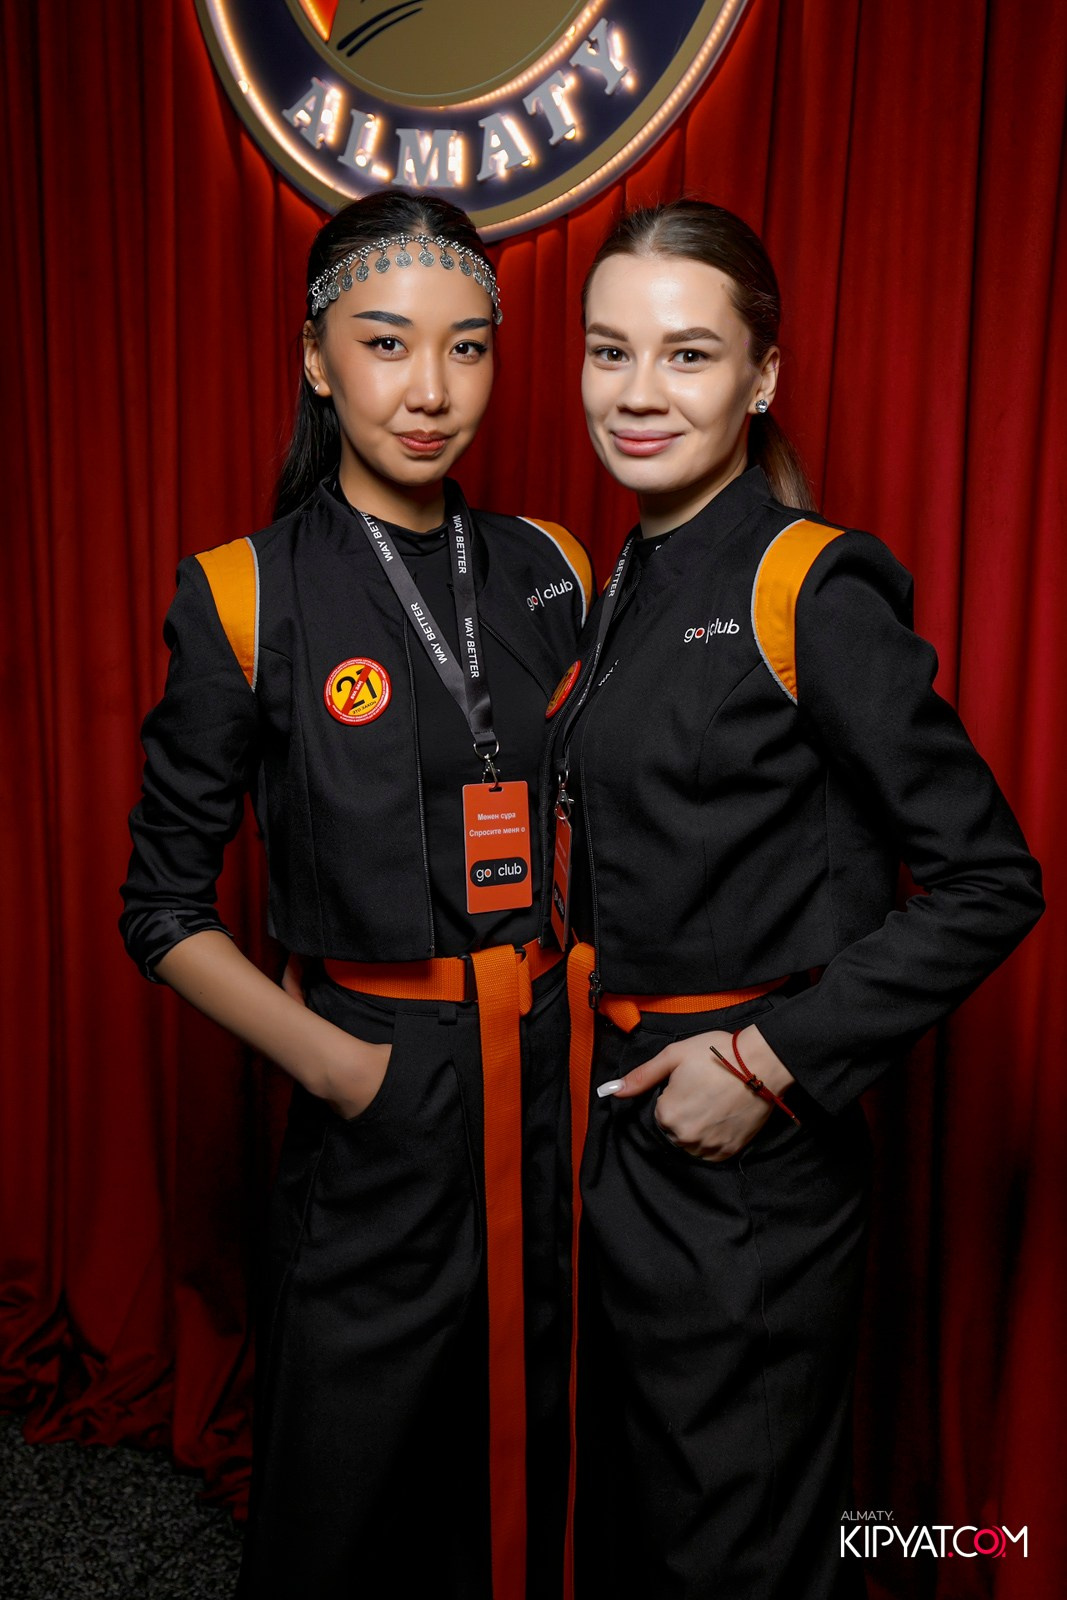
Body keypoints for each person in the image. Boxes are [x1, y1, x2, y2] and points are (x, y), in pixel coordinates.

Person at [540, 200, 1044, 1599]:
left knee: (740, 1546)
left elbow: (991, 879)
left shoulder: (807, 583)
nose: (638, 392)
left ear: (761, 376)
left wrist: (770, 1063)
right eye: (609, 351)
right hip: (613, 1124)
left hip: (744, 1155)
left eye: (689, 354)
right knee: (640, 1524)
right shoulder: (628, 575)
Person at [120, 190, 593, 1600]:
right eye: (386, 343)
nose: (430, 390)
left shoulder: (555, 567)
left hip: (555, 1080)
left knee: (545, 1434)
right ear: (318, 361)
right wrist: (341, 1069)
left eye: (467, 347)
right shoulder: (246, 595)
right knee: (347, 1477)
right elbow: (161, 906)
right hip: (383, 1085)